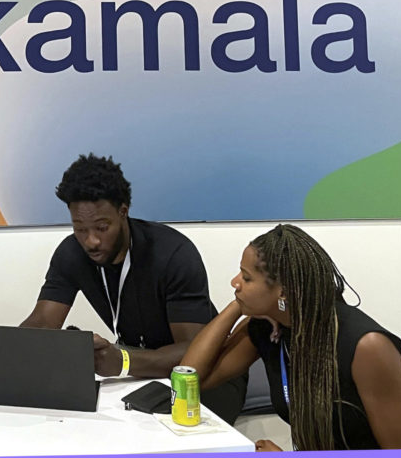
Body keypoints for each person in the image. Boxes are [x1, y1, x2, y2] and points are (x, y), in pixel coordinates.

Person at [20, 153, 247, 424]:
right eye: (80, 228)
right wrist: (12, 350)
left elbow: (193, 353)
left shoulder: (172, 253)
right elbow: (44, 321)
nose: (91, 241)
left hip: (205, 379)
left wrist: (123, 360)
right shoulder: (71, 254)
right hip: (141, 374)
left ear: (123, 211)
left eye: (102, 227)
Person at [181, 224, 401, 451]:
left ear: (283, 291)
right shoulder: (268, 328)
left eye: (246, 278)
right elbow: (189, 381)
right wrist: (236, 307)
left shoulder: (367, 347)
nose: (235, 282)